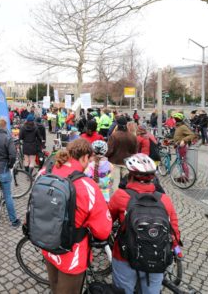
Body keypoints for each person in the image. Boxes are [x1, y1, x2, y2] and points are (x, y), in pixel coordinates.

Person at [39, 138, 111, 294]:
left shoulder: (46, 171)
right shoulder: (87, 185)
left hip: (46, 243)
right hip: (72, 254)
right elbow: (103, 230)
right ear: (85, 157)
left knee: (54, 284)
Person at [108, 153, 181, 294]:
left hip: (125, 257)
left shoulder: (121, 196)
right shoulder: (164, 199)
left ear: (130, 175)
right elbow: (174, 231)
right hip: (156, 257)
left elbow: (106, 223)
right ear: (153, 178)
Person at [106, 116, 137, 192]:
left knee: (114, 185)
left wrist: (106, 156)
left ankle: (115, 201)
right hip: (127, 162)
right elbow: (134, 151)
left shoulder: (114, 136)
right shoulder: (132, 136)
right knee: (128, 184)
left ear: (117, 125)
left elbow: (109, 150)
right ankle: (127, 200)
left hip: (115, 162)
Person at [171, 112, 197, 183]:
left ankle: (186, 177)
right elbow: (178, 137)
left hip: (182, 147)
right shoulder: (178, 127)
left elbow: (192, 135)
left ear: (177, 120)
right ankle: (182, 176)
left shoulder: (183, 127)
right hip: (177, 146)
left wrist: (183, 140)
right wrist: (171, 141)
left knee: (183, 162)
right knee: (180, 162)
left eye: (175, 119)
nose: (174, 120)